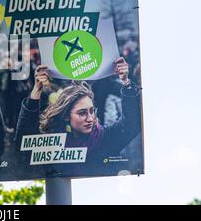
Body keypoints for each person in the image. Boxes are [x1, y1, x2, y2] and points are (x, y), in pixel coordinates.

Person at [14, 57, 142, 168]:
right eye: (82, 113)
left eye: (92, 111)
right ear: (66, 117)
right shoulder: (53, 145)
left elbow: (132, 123)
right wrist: (36, 90)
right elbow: (23, 143)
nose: (90, 118)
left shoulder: (105, 138)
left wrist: (126, 82)